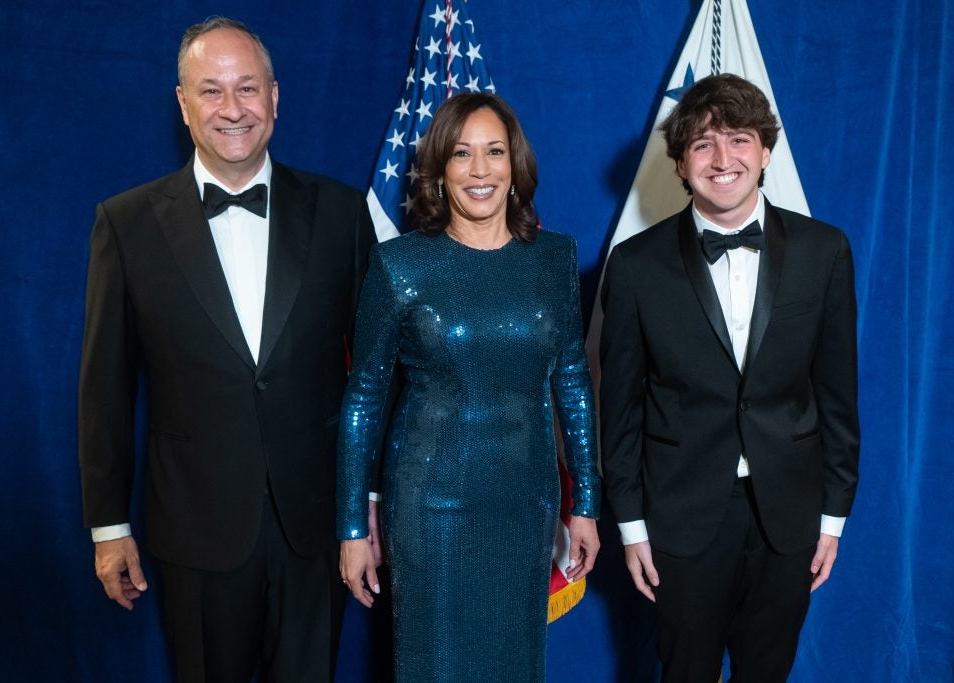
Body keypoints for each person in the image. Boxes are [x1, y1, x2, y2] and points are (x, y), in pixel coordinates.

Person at [77, 17, 376, 681]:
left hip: (318, 526)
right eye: (211, 91)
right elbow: (105, 386)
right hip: (194, 529)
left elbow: (378, 374)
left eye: (247, 88)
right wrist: (107, 525)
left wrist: (371, 499)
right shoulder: (124, 224)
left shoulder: (342, 211)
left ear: (276, 97)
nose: (232, 108)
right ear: (182, 104)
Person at [600, 73, 860, 682]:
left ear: (765, 152)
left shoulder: (826, 252)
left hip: (790, 514)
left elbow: (839, 393)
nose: (724, 159)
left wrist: (833, 517)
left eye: (739, 139)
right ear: (681, 164)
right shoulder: (636, 266)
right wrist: (632, 527)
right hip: (681, 515)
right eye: (703, 144)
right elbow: (621, 410)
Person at [337, 92, 601, 681]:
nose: (480, 170)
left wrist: (585, 500)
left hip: (526, 500)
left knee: (514, 664)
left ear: (516, 166)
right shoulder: (399, 264)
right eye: (462, 154)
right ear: (439, 171)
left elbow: (575, 383)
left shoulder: (555, 258)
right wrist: (353, 526)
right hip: (431, 504)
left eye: (494, 152)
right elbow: (364, 398)